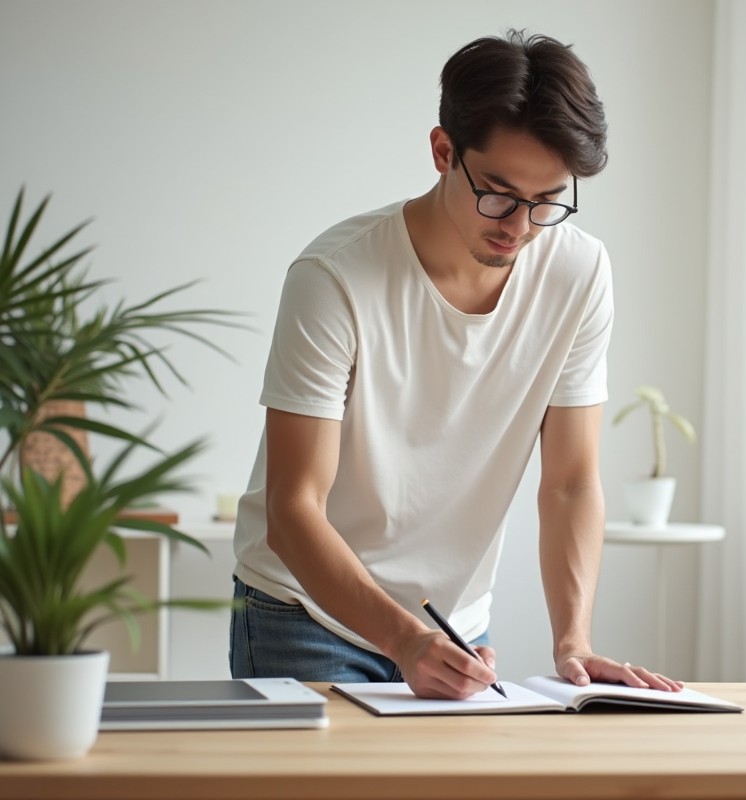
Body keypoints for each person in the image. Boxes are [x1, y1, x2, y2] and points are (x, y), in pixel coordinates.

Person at [229, 30, 682, 700]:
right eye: (497, 193)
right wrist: (404, 639)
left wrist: (573, 643)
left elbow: (570, 482)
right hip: (304, 614)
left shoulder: (579, 274)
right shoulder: (335, 277)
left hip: (453, 627)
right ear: (443, 152)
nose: (520, 226)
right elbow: (293, 509)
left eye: (548, 200)